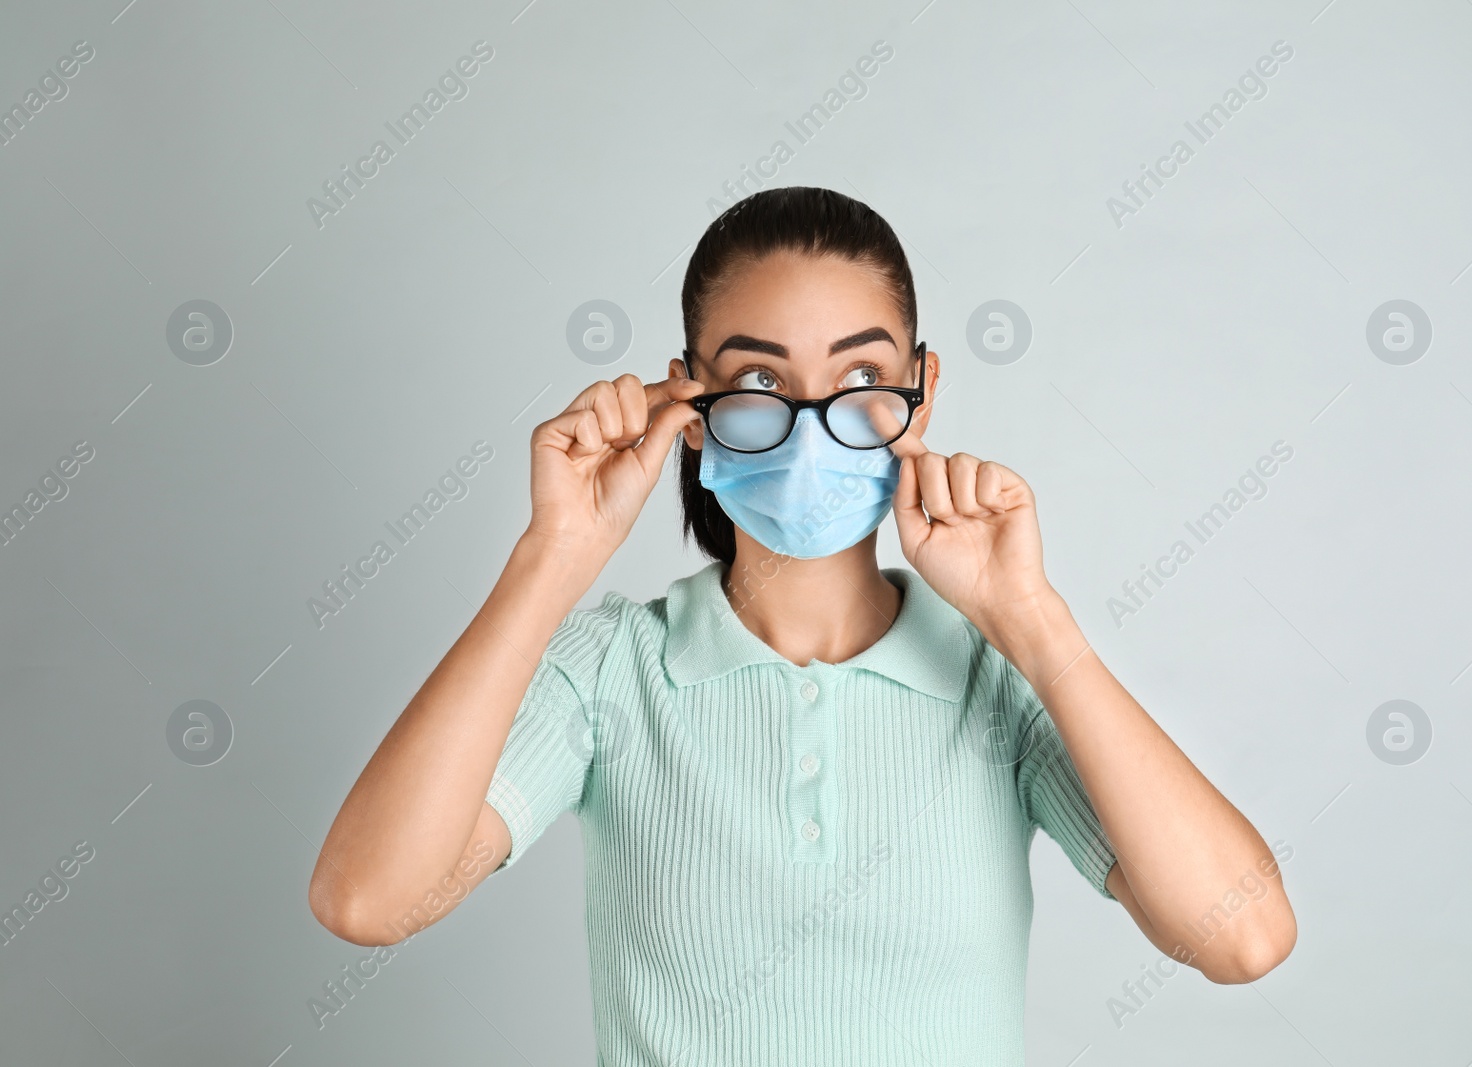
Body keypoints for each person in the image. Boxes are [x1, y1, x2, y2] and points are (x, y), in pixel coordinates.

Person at [309, 186, 1296, 1064]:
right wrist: (552, 559)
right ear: (689, 405)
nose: (814, 422)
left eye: (860, 377)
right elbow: (371, 899)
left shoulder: (1001, 681)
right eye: (760, 382)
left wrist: (1036, 624)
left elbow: (1240, 936)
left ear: (923, 386)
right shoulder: (612, 672)